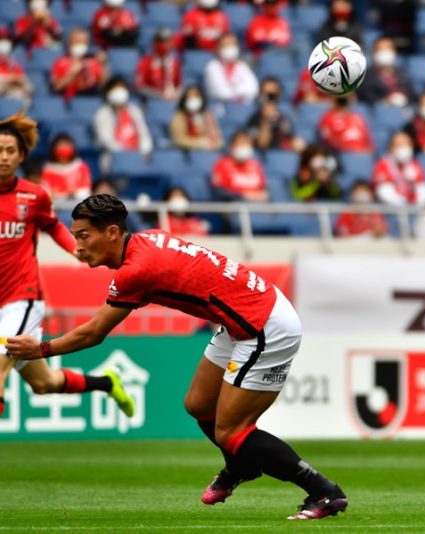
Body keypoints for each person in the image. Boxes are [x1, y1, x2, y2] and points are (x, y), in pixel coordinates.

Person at [5, 194, 348, 520]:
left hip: (264, 325)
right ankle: (241, 465)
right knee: (199, 405)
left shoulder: (134, 271)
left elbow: (93, 333)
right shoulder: (146, 239)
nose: (78, 246)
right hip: (241, 319)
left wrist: (42, 348)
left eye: (83, 236)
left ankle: (322, 490)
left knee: (231, 431)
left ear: (112, 233)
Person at [0, 113, 134, 422]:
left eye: (10, 150)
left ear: (21, 155)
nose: (4, 157)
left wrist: (75, 248)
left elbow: (52, 226)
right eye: (0, 150)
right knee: (44, 384)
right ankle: (106, 382)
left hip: (22, 298)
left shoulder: (34, 195)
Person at [93, 76, 153, 173]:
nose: (119, 91)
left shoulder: (134, 110)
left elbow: (144, 134)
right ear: (108, 92)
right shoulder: (102, 113)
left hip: (137, 158)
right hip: (114, 160)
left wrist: (144, 151)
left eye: (122, 88)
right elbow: (107, 141)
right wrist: (126, 156)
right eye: (116, 88)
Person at [372, 131, 425, 207]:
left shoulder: (414, 164)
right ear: (391, 147)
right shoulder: (383, 165)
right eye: (400, 144)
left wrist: (418, 205)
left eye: (407, 144)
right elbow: (383, 191)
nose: (404, 148)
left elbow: (422, 187)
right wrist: (404, 204)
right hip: (391, 211)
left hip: (413, 210)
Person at [50, 28, 108, 100]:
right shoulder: (60, 63)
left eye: (84, 42)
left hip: (90, 98)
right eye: (77, 41)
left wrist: (104, 64)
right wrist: (72, 74)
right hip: (70, 99)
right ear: (69, 43)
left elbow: (104, 84)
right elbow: (56, 87)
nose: (80, 44)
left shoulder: (93, 62)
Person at [211, 131, 268, 202]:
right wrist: (242, 195)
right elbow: (219, 192)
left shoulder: (255, 165)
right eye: (241, 144)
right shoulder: (221, 164)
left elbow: (263, 189)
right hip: (234, 206)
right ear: (232, 146)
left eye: (247, 144)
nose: (244, 147)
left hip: (257, 207)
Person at [358, 37, 415, 107]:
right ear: (374, 53)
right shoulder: (366, 77)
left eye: (388, 49)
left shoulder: (403, 74)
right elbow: (365, 98)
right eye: (380, 49)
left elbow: (412, 96)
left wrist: (403, 99)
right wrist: (385, 102)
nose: (385, 52)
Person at [204, 33, 259, 105]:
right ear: (217, 48)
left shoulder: (242, 66)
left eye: (232, 45)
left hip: (243, 107)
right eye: (226, 45)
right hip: (220, 109)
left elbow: (253, 89)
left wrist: (232, 87)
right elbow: (222, 93)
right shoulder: (212, 67)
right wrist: (241, 89)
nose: (230, 48)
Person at [170, 84, 223, 151]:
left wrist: (214, 144)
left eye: (196, 96)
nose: (193, 99)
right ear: (185, 99)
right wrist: (201, 143)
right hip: (187, 152)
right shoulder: (179, 117)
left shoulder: (208, 116)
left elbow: (219, 141)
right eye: (190, 96)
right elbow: (178, 139)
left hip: (208, 152)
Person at [135, 27, 182, 101]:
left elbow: (179, 84)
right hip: (152, 101)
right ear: (155, 43)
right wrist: (160, 96)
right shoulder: (146, 62)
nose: (165, 44)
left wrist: (176, 94)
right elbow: (140, 86)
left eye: (168, 41)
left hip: (173, 101)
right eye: (161, 41)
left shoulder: (175, 63)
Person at [41, 133, 92, 201]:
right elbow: (46, 193)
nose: (64, 148)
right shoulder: (47, 170)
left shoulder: (81, 167)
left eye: (66, 145)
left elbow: (86, 191)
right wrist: (64, 195)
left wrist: (74, 193)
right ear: (54, 149)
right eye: (60, 145)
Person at [0, 29, 33, 105]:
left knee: (26, 89)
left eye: (7, 40)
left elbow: (26, 84)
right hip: (3, 96)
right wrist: (9, 79)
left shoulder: (13, 62)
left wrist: (13, 80)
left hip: (14, 93)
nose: (5, 43)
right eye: (1, 40)